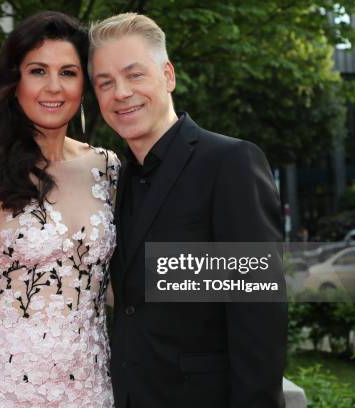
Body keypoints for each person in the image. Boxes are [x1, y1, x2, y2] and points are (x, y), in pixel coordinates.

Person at [88, 13, 288, 408]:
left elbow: (259, 316)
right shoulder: (115, 180)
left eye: (135, 75)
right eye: (105, 83)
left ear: (169, 76)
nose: (121, 93)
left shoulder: (230, 163)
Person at [0, 11, 120, 407]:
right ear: (15, 83)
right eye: (37, 71)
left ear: (84, 84)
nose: (53, 87)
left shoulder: (108, 169)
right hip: (2, 386)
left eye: (68, 72)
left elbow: (118, 287)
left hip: (90, 386)